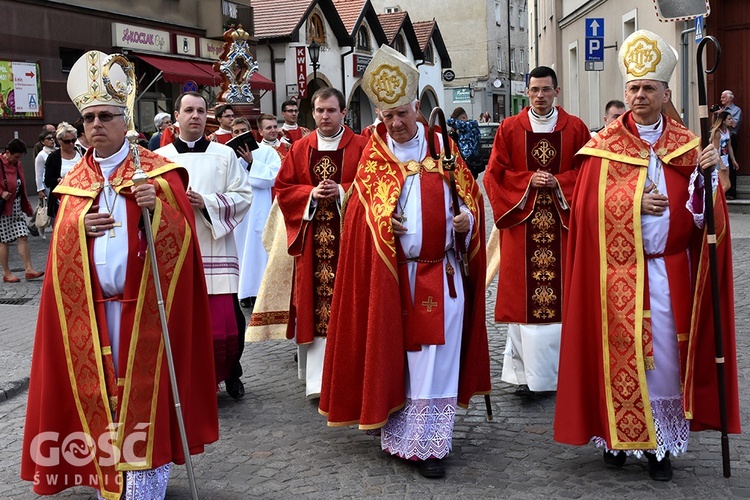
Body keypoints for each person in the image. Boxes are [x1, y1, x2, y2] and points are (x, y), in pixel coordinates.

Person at [20, 50, 218, 499]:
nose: (95, 125)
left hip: (145, 308)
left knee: (144, 390)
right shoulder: (72, 183)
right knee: (102, 391)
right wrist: (75, 230)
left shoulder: (159, 173)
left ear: (123, 119)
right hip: (91, 312)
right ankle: (108, 474)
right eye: (88, 117)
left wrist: (159, 209)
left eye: (104, 116)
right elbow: (58, 254)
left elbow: (183, 239)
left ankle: (145, 477)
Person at [554, 30, 741, 482]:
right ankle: (617, 437)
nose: (640, 96)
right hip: (614, 274)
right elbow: (585, 207)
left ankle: (660, 445)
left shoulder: (689, 147)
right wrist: (633, 201)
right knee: (616, 356)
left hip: (668, 269)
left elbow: (705, 219)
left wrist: (705, 180)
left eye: (648, 88)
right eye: (633, 88)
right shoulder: (603, 146)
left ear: (666, 93)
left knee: (664, 365)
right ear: (625, 93)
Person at [318, 44, 491, 479]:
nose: (396, 123)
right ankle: (399, 435)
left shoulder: (445, 151)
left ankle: (431, 445)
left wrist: (466, 221)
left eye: (403, 113)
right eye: (387, 115)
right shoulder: (373, 159)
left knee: (437, 358)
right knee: (402, 358)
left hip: (444, 273)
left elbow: (471, 201)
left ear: (417, 107)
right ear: (379, 114)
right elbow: (359, 217)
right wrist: (381, 225)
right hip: (395, 278)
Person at [483, 65, 591, 396]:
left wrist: (561, 182)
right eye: (534, 90)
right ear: (526, 93)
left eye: (546, 89)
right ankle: (522, 375)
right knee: (521, 301)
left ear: (557, 92)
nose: (540, 96)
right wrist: (528, 180)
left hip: (561, 226)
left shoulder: (574, 128)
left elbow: (588, 172)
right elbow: (494, 175)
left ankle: (562, 374)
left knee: (563, 297)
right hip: (521, 226)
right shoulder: (509, 128)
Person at [157, 91, 253, 400]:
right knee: (185, 322)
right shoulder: (162, 159)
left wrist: (207, 203)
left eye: (200, 110)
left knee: (226, 324)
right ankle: (192, 379)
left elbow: (243, 195)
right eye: (189, 110)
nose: (195, 115)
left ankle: (231, 372)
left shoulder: (224, 155)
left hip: (216, 246)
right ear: (177, 117)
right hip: (179, 251)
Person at [274, 87, 368, 399]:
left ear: (344, 113)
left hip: (350, 240)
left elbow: (373, 185)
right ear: (312, 114)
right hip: (312, 240)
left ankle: (349, 376)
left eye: (330, 110)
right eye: (319, 111)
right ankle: (317, 381)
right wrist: (310, 194)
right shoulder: (300, 148)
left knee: (351, 302)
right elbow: (283, 188)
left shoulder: (361, 147)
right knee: (314, 305)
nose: (324, 116)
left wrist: (342, 191)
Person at [234, 113, 282, 310]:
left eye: (243, 131)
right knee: (239, 250)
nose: (240, 135)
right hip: (239, 211)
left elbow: (272, 177)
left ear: (251, 132)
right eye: (235, 132)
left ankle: (258, 291)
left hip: (259, 208)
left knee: (257, 249)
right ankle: (241, 292)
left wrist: (252, 162)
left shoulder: (266, 152)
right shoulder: (229, 154)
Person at [1, 139, 44, 283]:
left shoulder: (17, 165)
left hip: (16, 205)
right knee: (4, 240)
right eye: (16, 156)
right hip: (3, 208)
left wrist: (27, 207)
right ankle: (7, 273)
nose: (18, 160)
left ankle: (29, 269)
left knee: (23, 235)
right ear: (7, 153)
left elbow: (22, 187)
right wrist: (1, 192)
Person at [43, 122, 82, 221]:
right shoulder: (53, 157)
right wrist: (59, 179)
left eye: (73, 140)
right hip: (61, 202)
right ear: (59, 141)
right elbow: (47, 180)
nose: (71, 144)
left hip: (81, 199)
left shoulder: (82, 154)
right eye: (67, 141)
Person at [447, 106, 483, 177]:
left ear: (463, 118)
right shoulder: (465, 131)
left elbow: (450, 122)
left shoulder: (470, 125)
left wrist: (454, 123)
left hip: (470, 161)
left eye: (458, 121)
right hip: (468, 161)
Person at [719, 90, 742, 199]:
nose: (721, 99)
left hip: (730, 137)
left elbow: (734, 124)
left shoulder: (736, 110)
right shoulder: (721, 110)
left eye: (723, 97)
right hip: (721, 140)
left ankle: (731, 192)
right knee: (721, 170)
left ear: (730, 98)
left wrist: (725, 116)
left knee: (731, 168)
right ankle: (722, 193)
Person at [710, 111, 739, 193]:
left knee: (722, 184)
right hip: (718, 161)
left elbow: (729, 147)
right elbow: (716, 149)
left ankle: (719, 202)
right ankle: (715, 202)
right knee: (727, 185)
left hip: (726, 160)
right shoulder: (717, 133)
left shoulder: (728, 131)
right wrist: (721, 164)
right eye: (729, 119)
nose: (731, 121)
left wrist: (733, 160)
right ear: (723, 121)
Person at [34, 131, 56, 201]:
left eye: (53, 138)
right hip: (47, 185)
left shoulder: (57, 151)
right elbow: (38, 174)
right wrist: (40, 190)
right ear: (43, 142)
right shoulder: (41, 155)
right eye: (49, 138)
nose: (52, 140)